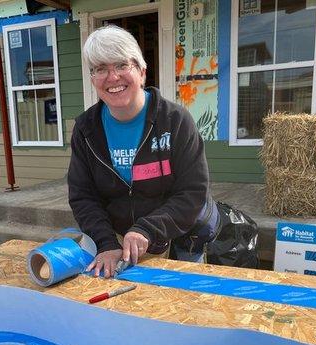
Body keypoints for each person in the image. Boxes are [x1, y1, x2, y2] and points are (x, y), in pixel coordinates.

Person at [67, 25, 218, 278]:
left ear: (142, 72)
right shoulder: (85, 129)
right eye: (100, 69)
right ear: (92, 79)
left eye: (121, 65)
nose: (112, 77)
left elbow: (193, 192)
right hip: (117, 243)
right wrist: (105, 242)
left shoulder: (176, 121)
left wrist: (147, 229)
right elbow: (83, 197)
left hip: (177, 236)